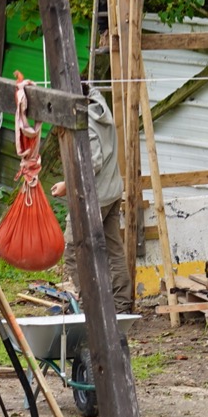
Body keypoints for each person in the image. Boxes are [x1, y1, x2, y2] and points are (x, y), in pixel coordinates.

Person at [49, 85, 132, 314]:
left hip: (96, 197)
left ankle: (92, 307)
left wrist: (67, 185)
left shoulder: (88, 125)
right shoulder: (99, 107)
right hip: (112, 191)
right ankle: (121, 305)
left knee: (73, 250)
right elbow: (88, 87)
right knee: (113, 249)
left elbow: (92, 163)